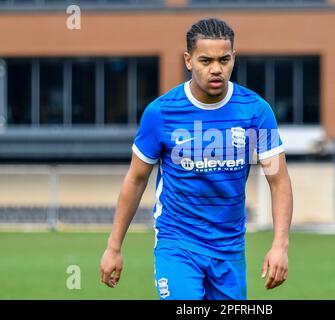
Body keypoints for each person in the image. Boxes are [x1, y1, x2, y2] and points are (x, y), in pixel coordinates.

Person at [100, 17, 293, 300]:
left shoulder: (256, 111)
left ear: (234, 58)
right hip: (177, 243)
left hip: (229, 249)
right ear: (188, 60)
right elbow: (136, 179)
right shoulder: (161, 113)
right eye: (206, 60)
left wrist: (280, 246)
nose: (216, 69)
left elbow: (278, 181)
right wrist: (113, 246)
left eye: (224, 59)